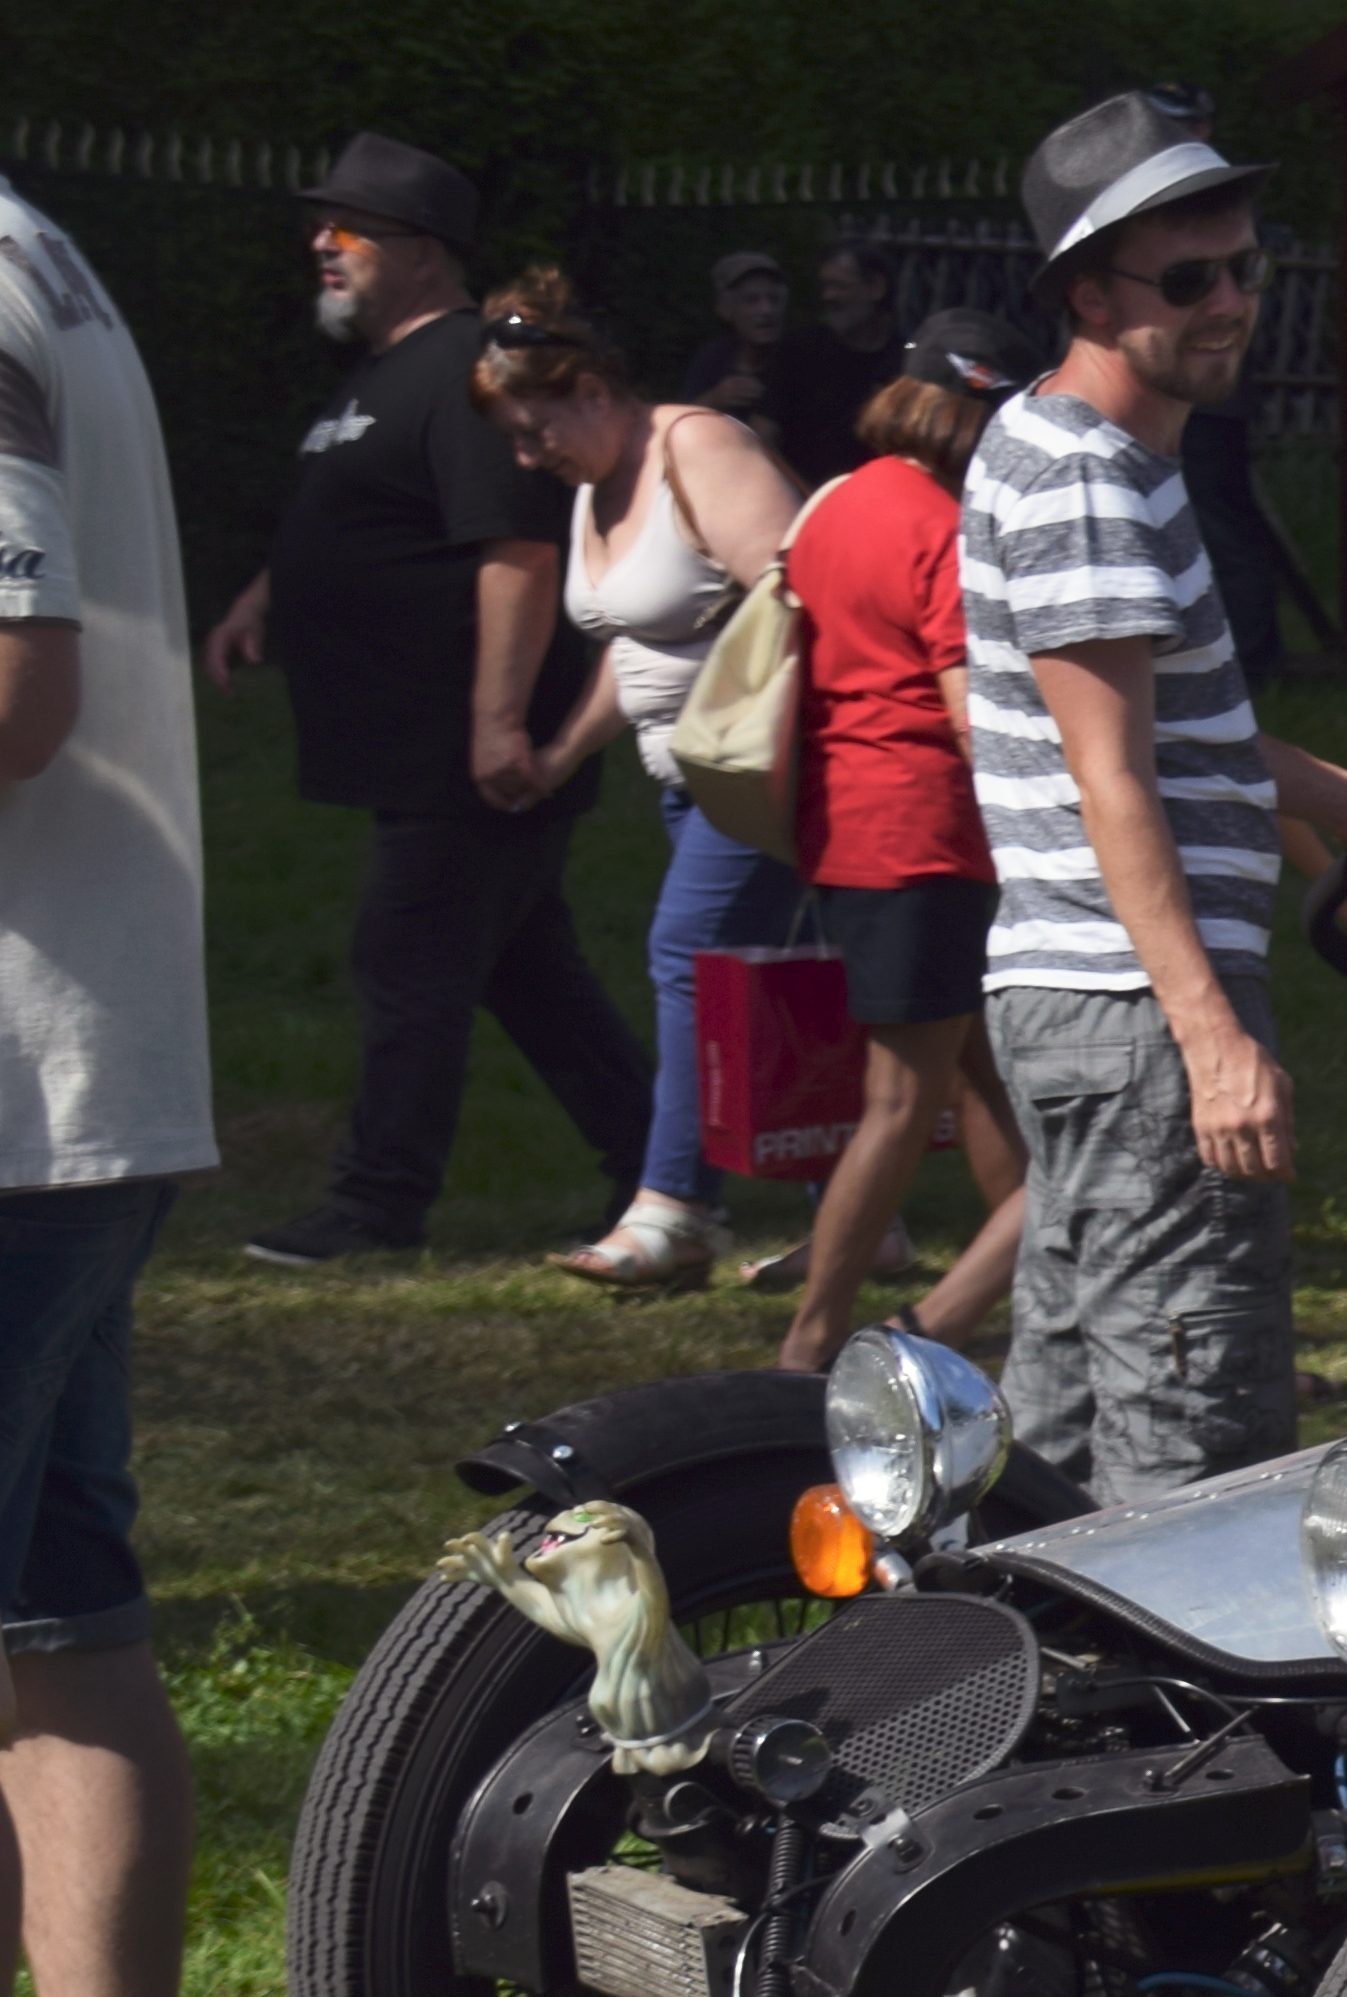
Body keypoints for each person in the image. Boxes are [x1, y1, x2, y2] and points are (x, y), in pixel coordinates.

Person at [969, 93, 1347, 1495]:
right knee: (1192, 1448)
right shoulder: (1087, 480)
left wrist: (1339, 800)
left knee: (1052, 1436)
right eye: (1187, 280)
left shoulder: (1079, 454)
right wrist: (1212, 1037)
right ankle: (1168, 1711)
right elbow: (1110, 782)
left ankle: (984, 1689)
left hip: (1081, 1009)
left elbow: (1159, 736)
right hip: (1132, 1016)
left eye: (1244, 266)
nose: (1228, 301)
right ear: (1084, 292)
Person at [1, 170, 235, 1997]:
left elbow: (10, 682)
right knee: (59, 1609)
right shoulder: (37, 247)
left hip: (8, 1083)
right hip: (73, 1077)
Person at [206, 134, 651, 1266]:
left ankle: (376, 1203)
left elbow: (517, 550)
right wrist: (270, 593)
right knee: (523, 967)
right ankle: (661, 1162)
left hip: (463, 746)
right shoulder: (379, 372)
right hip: (415, 742)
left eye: (344, 227)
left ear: (422, 252)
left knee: (407, 960)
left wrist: (500, 721)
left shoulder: (467, 368)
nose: (320, 242)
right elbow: (372, 509)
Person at [478, 271, 806, 1289]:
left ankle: (675, 1207)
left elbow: (803, 593)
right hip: (687, 784)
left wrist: (775, 757)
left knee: (688, 957)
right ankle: (851, 1210)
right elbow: (637, 654)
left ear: (590, 389)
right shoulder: (591, 487)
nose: (529, 456)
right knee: (800, 992)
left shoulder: (695, 448)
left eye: (536, 430)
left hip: (760, 777)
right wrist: (561, 755)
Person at [774, 308, 1036, 1372]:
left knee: (981, 1078)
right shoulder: (938, 525)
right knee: (900, 1100)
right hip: (924, 837)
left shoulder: (838, 503)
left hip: (844, 827)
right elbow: (972, 713)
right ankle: (820, 1343)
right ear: (972, 410)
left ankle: (1034, 1290)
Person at [765, 241, 904, 484]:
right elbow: (763, 434)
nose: (828, 296)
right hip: (800, 498)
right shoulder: (798, 351)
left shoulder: (904, 360)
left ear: (876, 287)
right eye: (825, 286)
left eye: (839, 286)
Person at [678, 249, 790, 435]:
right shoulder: (713, 357)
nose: (766, 310)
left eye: (774, 299)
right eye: (751, 300)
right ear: (726, 309)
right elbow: (680, 421)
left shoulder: (799, 357)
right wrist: (714, 399)